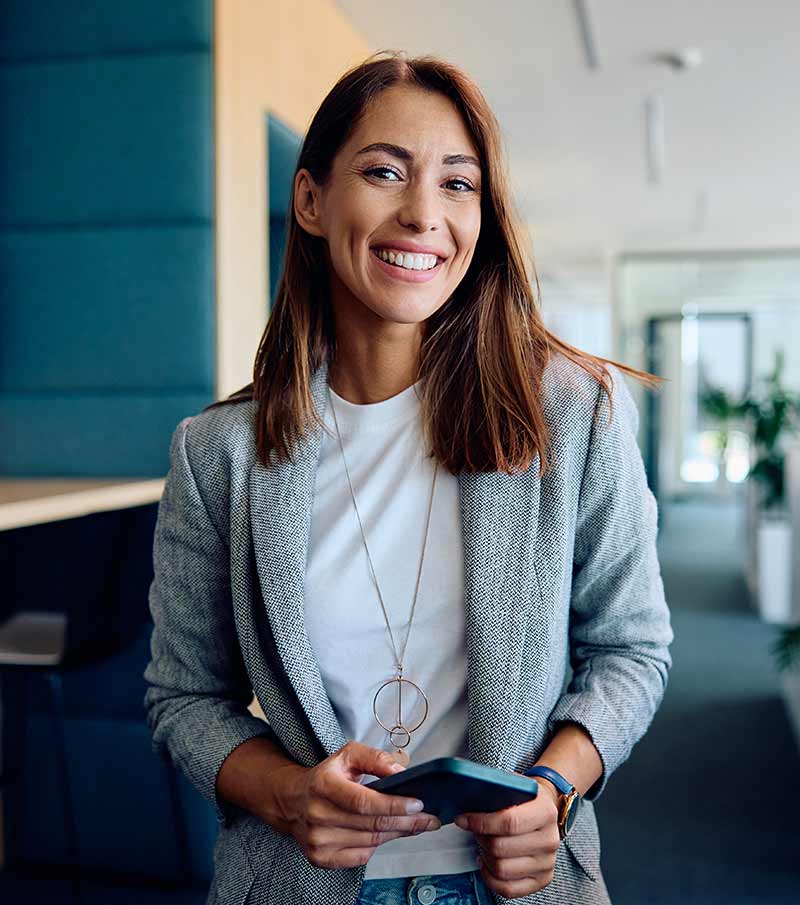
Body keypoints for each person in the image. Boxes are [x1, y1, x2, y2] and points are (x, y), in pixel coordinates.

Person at [144, 50, 673, 905]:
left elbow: (631, 651)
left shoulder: (574, 415)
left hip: (513, 885)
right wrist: (288, 795)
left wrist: (554, 789)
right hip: (302, 882)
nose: (424, 213)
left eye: (458, 184)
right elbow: (183, 697)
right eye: (385, 172)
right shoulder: (218, 454)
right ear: (311, 200)